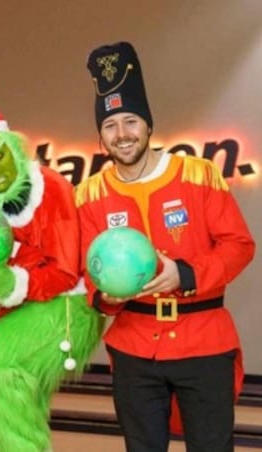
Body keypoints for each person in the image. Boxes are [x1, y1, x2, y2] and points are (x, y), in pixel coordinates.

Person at [76, 41, 255, 452]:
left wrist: (185, 274)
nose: (122, 135)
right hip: (134, 347)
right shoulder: (88, 195)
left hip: (204, 342)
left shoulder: (198, 175)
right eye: (110, 125)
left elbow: (239, 245)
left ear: (148, 124)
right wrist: (106, 294)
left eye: (131, 121)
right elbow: (88, 272)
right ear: (100, 134)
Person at [0, 107, 103, 452]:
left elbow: (63, 271)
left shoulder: (50, 186)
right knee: (11, 409)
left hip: (65, 308)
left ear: (13, 147)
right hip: (14, 317)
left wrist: (8, 283)